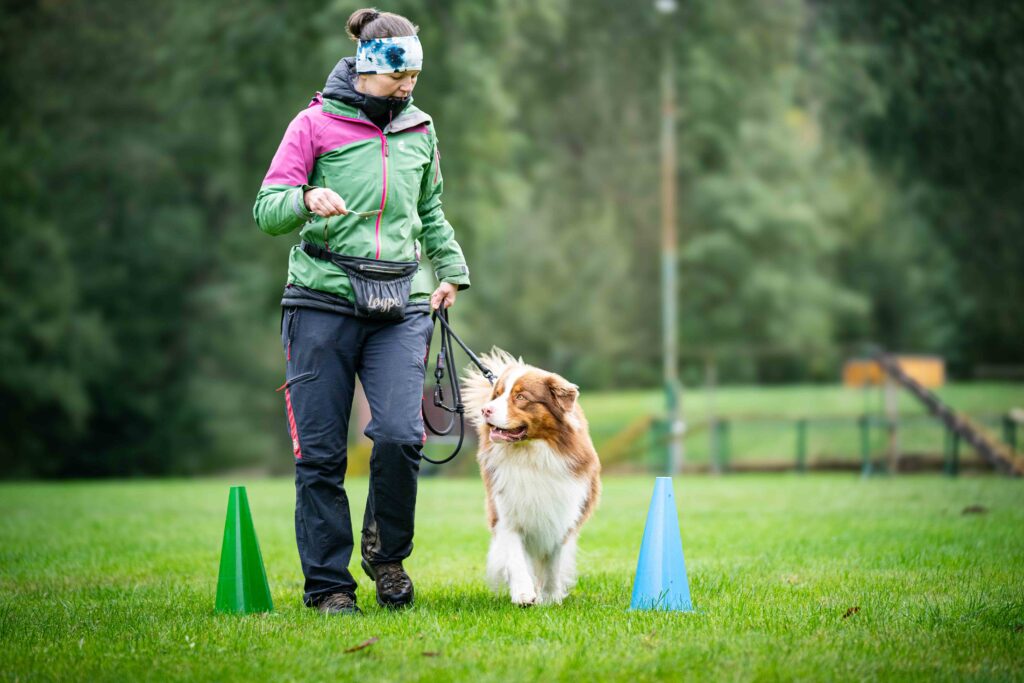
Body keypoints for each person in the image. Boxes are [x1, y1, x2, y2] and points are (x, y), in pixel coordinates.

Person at [252, 7, 470, 615]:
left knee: (400, 435)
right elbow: (267, 209)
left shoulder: (421, 129)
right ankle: (329, 586)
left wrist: (451, 270)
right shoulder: (313, 124)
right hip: (320, 300)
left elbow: (430, 210)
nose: (407, 87)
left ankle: (386, 556)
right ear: (366, 70)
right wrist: (304, 198)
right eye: (398, 76)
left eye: (414, 77)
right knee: (320, 454)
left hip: (401, 302)